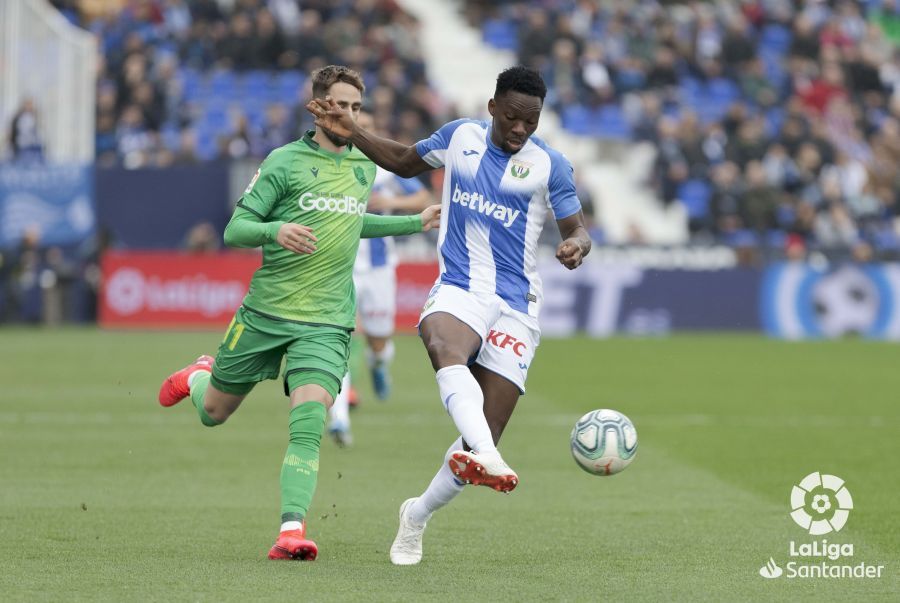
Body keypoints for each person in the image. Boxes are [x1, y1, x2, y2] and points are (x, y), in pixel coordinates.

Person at [307, 65, 591, 564]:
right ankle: (491, 458)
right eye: (513, 118)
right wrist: (352, 131)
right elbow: (401, 160)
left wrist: (575, 245)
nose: (521, 129)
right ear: (493, 109)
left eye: (532, 121)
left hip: (516, 303)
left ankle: (416, 514)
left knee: (478, 433)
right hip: (460, 285)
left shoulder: (552, 165)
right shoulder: (459, 137)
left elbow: (578, 229)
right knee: (444, 345)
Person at [156, 65, 440, 561]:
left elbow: (352, 222)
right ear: (318, 106)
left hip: (328, 321)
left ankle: (291, 531)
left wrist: (412, 222)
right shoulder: (284, 161)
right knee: (213, 414)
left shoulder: (364, 166)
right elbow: (235, 229)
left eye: (356, 106)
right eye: (339, 104)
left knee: (309, 420)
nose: (348, 114)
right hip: (266, 313)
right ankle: (198, 375)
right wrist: (275, 231)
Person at [327, 112, 433, 447]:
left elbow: (422, 198)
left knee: (378, 340)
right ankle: (340, 417)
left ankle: (378, 363)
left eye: (368, 127)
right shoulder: (332, 165)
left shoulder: (385, 166)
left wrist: (392, 202)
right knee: (341, 338)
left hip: (379, 266)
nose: (361, 130)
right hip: (340, 265)